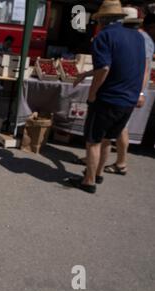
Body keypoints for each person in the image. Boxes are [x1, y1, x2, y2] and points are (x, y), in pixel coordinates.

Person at [67, 0, 145, 194]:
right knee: (107, 138)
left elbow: (104, 68)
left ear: (102, 19)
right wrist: (86, 74)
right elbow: (122, 65)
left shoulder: (104, 36)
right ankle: (98, 173)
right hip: (128, 99)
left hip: (108, 98)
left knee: (93, 140)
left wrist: (92, 94)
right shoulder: (137, 37)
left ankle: (89, 181)